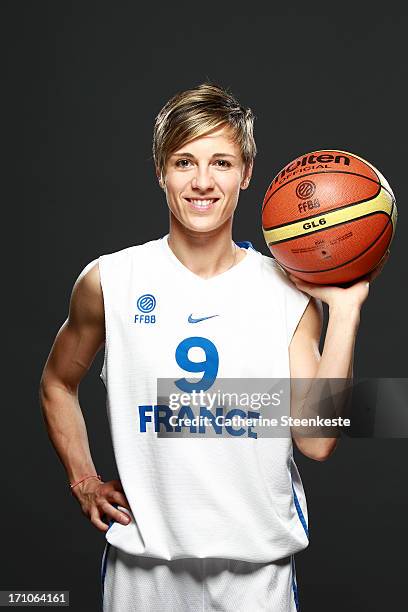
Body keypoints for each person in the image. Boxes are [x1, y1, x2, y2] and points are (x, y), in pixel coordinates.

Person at [39, 83, 387, 611]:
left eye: (221, 162)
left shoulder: (288, 292)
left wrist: (345, 311)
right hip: (143, 577)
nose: (203, 182)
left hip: (256, 580)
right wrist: (83, 479)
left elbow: (316, 441)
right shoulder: (111, 280)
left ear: (247, 173)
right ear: (160, 171)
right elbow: (58, 383)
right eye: (184, 162)